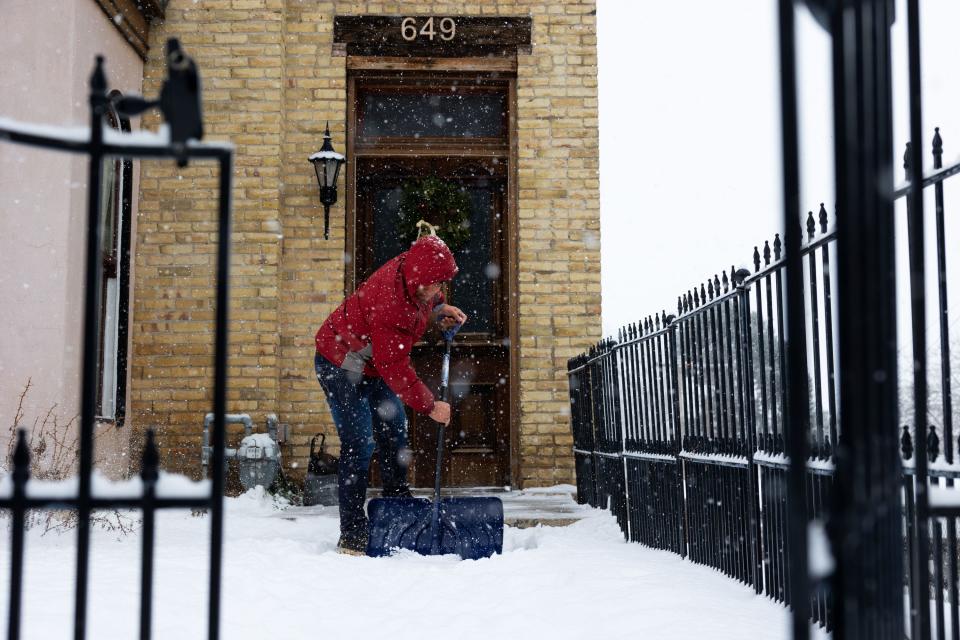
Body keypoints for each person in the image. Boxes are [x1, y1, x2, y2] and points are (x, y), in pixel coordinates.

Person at [313, 234, 468, 555]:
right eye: (435, 283)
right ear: (419, 278)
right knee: (360, 441)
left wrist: (439, 308)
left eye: (441, 282)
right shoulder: (390, 302)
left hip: (371, 363)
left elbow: (422, 302)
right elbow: (394, 367)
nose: (438, 288)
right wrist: (430, 406)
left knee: (394, 428)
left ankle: (397, 503)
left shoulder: (415, 279)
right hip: (340, 363)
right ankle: (352, 532)